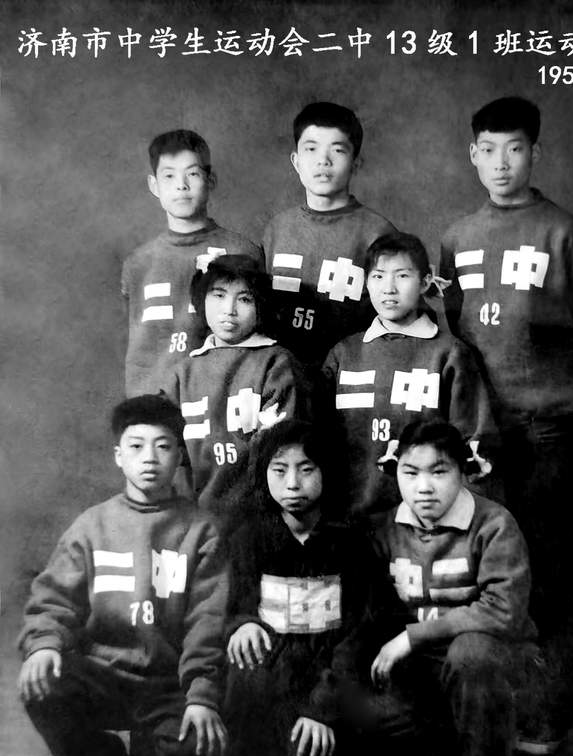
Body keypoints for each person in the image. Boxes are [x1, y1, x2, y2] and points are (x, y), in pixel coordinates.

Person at [440, 96, 573, 752]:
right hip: (475, 433)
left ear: (536, 154)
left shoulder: (565, 234)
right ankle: (483, 707)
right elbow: (452, 333)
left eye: (515, 149)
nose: (502, 163)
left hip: (543, 430)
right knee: (475, 569)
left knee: (545, 571)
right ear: (473, 155)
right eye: (489, 150)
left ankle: (549, 713)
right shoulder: (457, 238)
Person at [17, 395, 228, 756]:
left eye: (163, 446)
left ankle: (151, 751)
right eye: (136, 446)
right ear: (118, 456)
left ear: (180, 455)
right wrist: (43, 644)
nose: (149, 458)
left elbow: (207, 620)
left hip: (167, 683)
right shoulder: (91, 526)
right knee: (44, 686)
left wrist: (201, 695)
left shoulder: (201, 530)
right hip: (104, 675)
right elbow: (54, 599)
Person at [369, 420, 536, 756]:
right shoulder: (383, 529)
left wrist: (412, 636)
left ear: (464, 472)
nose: (424, 487)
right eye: (410, 472)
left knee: (472, 655)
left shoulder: (494, 524)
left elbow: (502, 612)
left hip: (488, 664)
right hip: (420, 671)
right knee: (373, 736)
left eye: (439, 471)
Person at [219, 419, 384, 756]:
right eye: (280, 470)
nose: (293, 483)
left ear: (326, 473)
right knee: (245, 676)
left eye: (306, 469)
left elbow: (361, 631)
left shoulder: (351, 542)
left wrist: (322, 707)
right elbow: (233, 604)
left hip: (331, 677)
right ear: (264, 475)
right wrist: (242, 623)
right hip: (273, 674)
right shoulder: (248, 539)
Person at [323, 232, 496, 517]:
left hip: (424, 520)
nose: (389, 288)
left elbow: (473, 443)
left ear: (425, 282)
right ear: (366, 282)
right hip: (348, 519)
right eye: (378, 277)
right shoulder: (344, 354)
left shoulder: (449, 354)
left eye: (402, 276)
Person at [162, 254, 310, 516]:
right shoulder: (182, 373)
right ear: (202, 299)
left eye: (244, 299)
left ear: (260, 306)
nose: (229, 310)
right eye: (218, 295)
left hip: (259, 512)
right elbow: (169, 453)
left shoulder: (275, 363)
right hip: (194, 517)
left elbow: (282, 449)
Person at [122, 129, 261, 396]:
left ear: (211, 180)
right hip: (155, 403)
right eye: (169, 176)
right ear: (154, 185)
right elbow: (139, 349)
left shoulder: (242, 251)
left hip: (219, 400)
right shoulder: (138, 264)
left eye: (193, 174)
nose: (181, 185)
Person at [262, 101, 396, 369]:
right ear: (296, 161)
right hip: (283, 373)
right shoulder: (277, 229)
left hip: (352, 371)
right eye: (311, 149)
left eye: (338, 150)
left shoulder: (377, 233)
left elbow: (398, 314)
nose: (323, 160)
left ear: (356, 163)